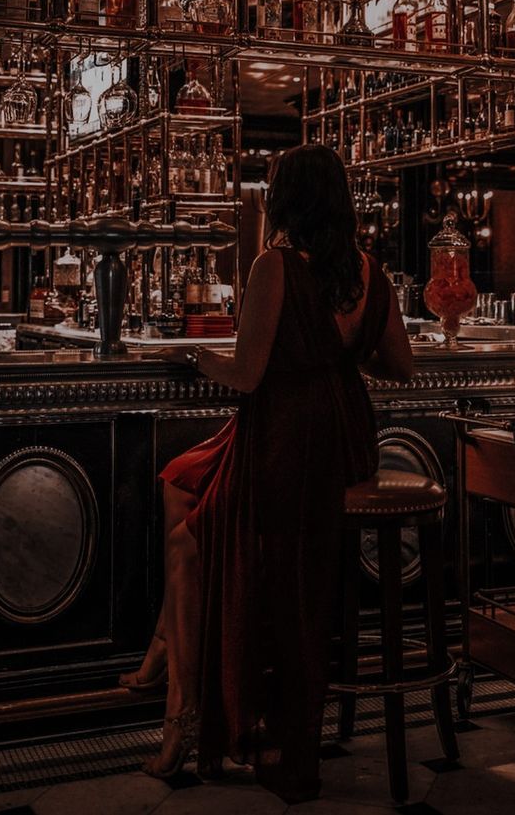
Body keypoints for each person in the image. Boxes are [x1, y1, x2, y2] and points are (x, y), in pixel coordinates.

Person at [125, 144, 413, 802]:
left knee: (185, 542)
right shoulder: (370, 270)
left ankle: (184, 710)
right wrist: (339, 354)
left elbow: (247, 375)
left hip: (284, 441)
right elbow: (401, 367)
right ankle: (167, 655)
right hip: (347, 439)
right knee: (181, 480)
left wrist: (196, 355)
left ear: (284, 200)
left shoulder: (272, 265)